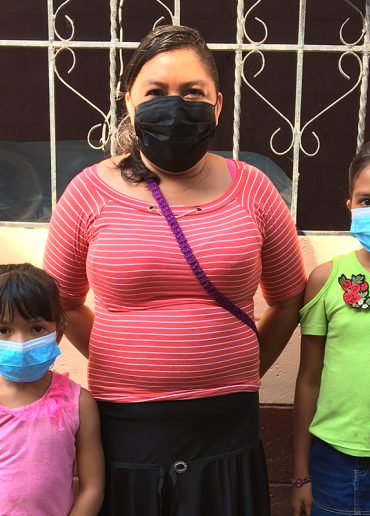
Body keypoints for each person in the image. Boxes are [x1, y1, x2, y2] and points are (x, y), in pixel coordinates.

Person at [44, 24, 306, 516]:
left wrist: (245, 368)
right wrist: (122, 357)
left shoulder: (254, 188)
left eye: (192, 92)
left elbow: (289, 298)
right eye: (156, 92)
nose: (175, 105)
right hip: (125, 425)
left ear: (218, 105)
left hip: (227, 426)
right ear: (129, 100)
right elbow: (61, 302)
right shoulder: (87, 192)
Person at [292, 134, 370, 516]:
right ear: (350, 207)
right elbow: (308, 380)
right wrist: (301, 474)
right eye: (367, 201)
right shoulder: (326, 280)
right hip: (334, 468)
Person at [0, 263, 104, 516]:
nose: (21, 342)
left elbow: (92, 488)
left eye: (36, 328)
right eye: (4, 330)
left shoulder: (78, 403)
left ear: (58, 332)